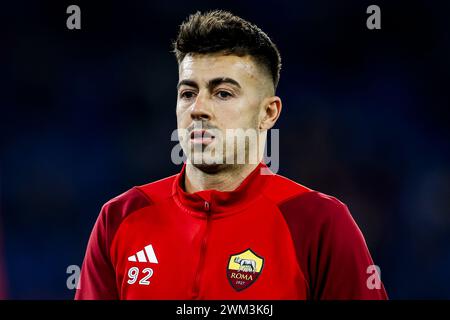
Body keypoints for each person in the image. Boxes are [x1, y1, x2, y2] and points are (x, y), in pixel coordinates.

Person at [75, 10, 388, 300]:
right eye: (188, 93)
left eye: (222, 93)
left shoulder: (319, 223)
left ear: (268, 112)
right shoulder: (120, 219)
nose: (198, 108)